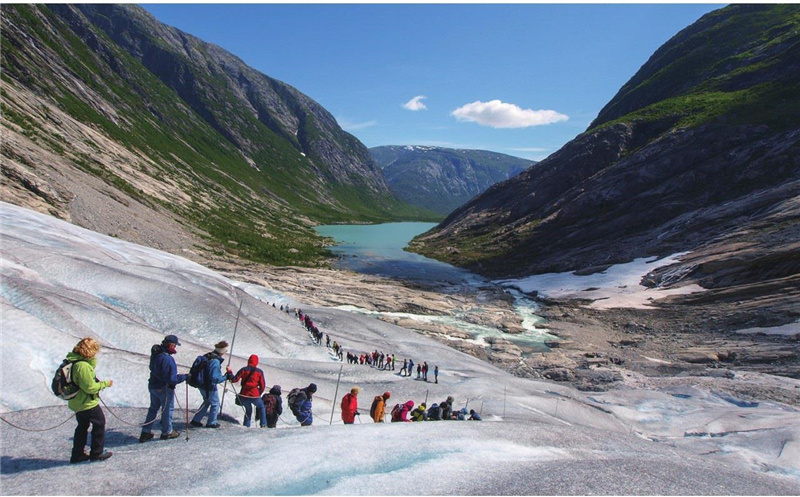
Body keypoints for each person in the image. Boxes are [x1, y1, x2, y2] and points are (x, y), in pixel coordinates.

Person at [66, 337, 113, 463]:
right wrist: (105, 384)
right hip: (86, 403)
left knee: (82, 426)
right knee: (99, 423)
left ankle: (77, 454)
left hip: (77, 402)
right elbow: (90, 388)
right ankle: (96, 453)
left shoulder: (74, 361)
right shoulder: (83, 366)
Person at [140, 334, 188, 443]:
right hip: (164, 388)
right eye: (175, 346)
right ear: (171, 345)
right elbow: (172, 379)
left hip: (153, 385)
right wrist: (185, 377)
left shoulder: (156, 354)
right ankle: (167, 432)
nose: (175, 348)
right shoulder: (167, 359)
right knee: (167, 410)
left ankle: (145, 431)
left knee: (153, 409)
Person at [190, 341, 233, 429]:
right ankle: (211, 422)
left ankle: (196, 420)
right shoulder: (215, 361)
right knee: (215, 404)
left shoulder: (208, 356)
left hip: (201, 384)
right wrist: (226, 377)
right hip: (209, 386)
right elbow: (215, 378)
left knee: (207, 402)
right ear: (222, 351)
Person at [231, 354, 267, 428]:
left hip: (244, 394)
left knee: (248, 409)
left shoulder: (243, 369)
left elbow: (234, 379)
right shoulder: (259, 372)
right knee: (261, 407)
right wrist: (259, 393)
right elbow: (263, 385)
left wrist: (229, 372)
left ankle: (246, 425)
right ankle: (263, 424)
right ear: (256, 362)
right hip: (255, 395)